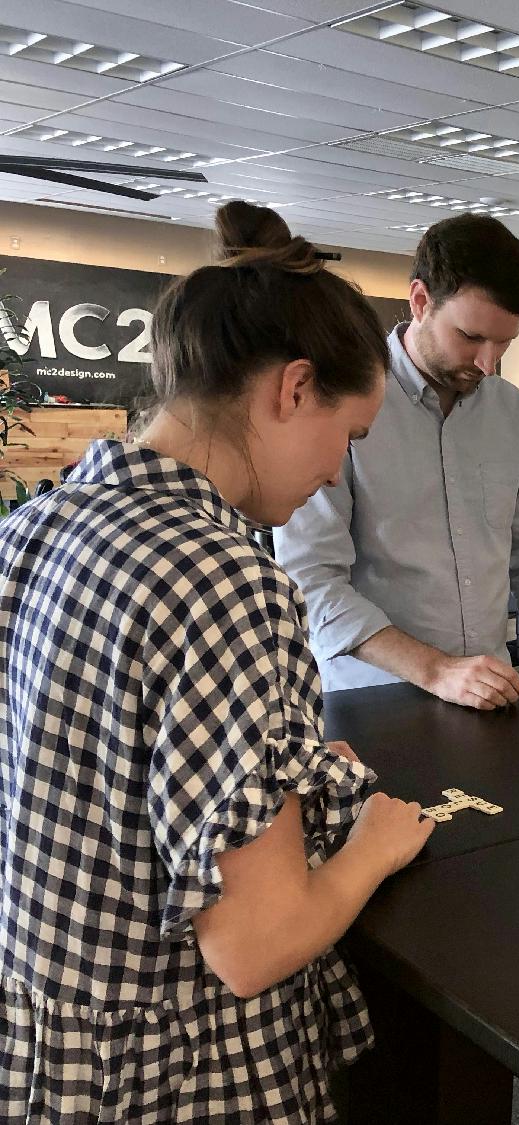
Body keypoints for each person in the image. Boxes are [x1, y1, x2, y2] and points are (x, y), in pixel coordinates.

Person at [0, 202, 433, 1122]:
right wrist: (369, 846)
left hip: (48, 1039)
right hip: (174, 1065)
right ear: (294, 388)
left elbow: (100, 780)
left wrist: (289, 785)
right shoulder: (230, 580)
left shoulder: (37, 524)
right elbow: (255, 943)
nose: (333, 473)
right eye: (347, 437)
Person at [275, 214, 519, 707]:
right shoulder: (341, 400)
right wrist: (437, 671)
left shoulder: (509, 410)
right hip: (372, 701)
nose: (488, 362)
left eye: (505, 342)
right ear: (420, 301)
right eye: (471, 337)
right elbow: (310, 581)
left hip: (490, 694)